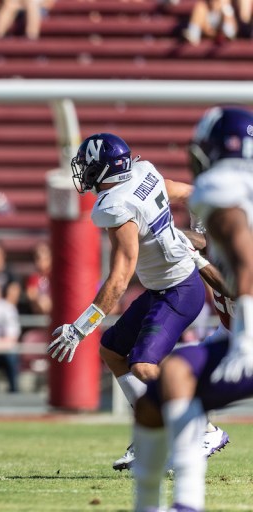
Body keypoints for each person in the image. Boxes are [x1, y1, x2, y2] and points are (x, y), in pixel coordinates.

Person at [45, 133, 227, 472]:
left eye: (88, 166)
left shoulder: (116, 205)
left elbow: (120, 276)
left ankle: (205, 429)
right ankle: (149, 436)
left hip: (177, 290)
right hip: (165, 287)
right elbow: (188, 192)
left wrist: (80, 327)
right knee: (113, 351)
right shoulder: (144, 172)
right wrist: (199, 226)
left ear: (103, 169)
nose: (83, 172)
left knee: (143, 365)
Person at [132, 105, 253, 512]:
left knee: (174, 380)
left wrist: (248, 337)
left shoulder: (220, 187)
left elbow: (243, 259)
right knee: (166, 385)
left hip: (250, 331)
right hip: (239, 330)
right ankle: (178, 505)